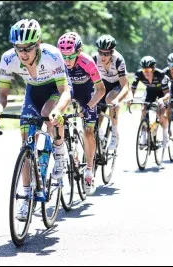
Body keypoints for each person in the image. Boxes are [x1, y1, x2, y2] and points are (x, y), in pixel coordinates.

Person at [0, 19, 72, 221]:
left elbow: (65, 91)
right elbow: (2, 93)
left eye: (28, 48)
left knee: (48, 113)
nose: (23, 53)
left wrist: (59, 110)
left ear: (38, 44)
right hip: (33, 92)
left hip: (55, 89)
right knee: (26, 140)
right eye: (19, 48)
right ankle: (26, 196)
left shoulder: (52, 55)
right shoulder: (8, 59)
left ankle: (60, 151)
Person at [57, 31, 106, 194]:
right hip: (67, 91)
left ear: (78, 51)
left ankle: (89, 171)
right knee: (57, 120)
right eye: (64, 56)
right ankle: (69, 154)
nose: (67, 60)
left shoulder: (87, 62)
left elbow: (101, 89)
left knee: (88, 131)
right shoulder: (58, 62)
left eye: (70, 56)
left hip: (87, 93)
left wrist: (89, 106)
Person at [92, 35, 130, 150]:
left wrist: (117, 100)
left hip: (117, 85)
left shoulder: (118, 60)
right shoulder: (94, 58)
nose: (103, 56)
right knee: (96, 107)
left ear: (112, 52)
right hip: (103, 84)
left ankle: (114, 133)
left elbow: (125, 86)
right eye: (101, 52)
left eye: (107, 53)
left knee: (110, 99)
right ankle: (100, 134)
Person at [130, 56, 170, 149]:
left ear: (153, 69)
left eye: (148, 70)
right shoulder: (139, 74)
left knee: (161, 114)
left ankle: (165, 135)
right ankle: (143, 136)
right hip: (150, 91)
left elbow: (167, 94)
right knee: (143, 109)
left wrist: (162, 100)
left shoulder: (161, 75)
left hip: (162, 93)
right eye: (144, 70)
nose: (146, 73)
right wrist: (130, 98)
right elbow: (132, 89)